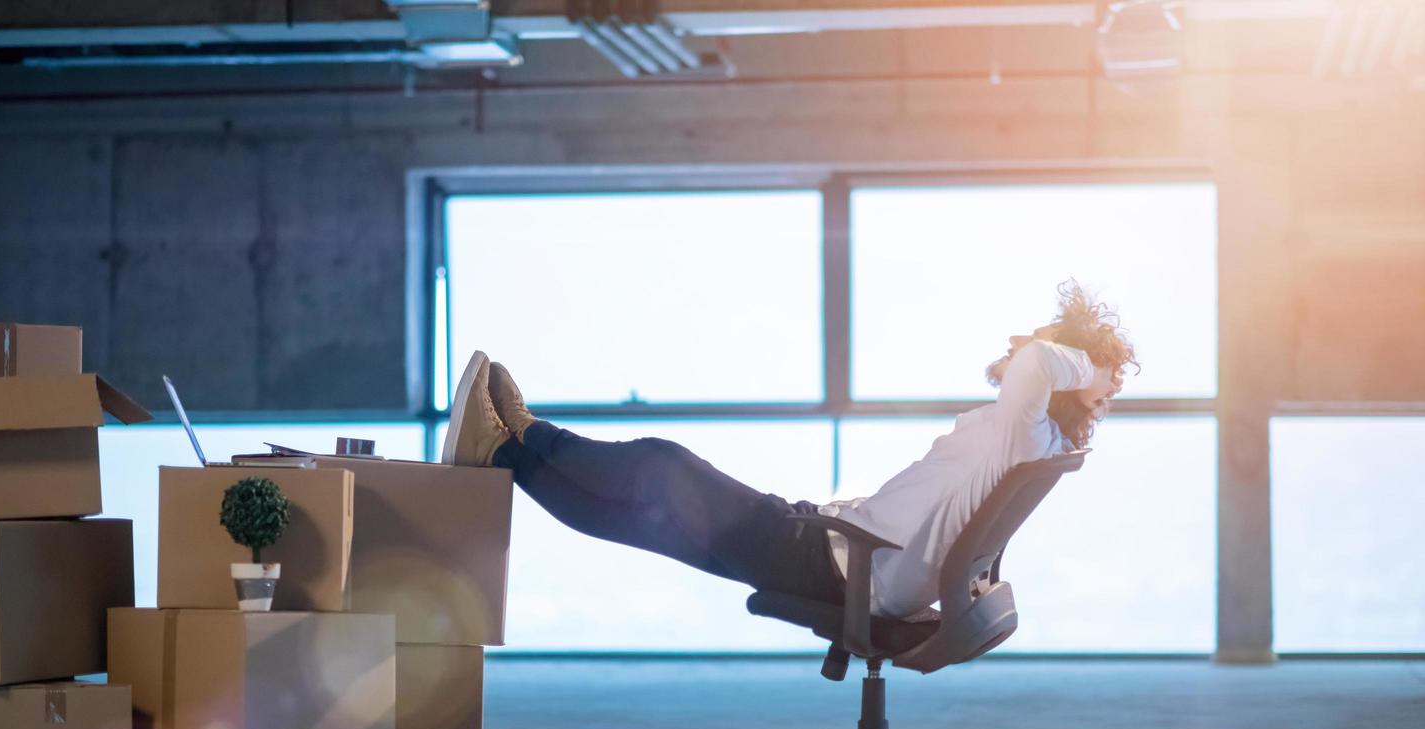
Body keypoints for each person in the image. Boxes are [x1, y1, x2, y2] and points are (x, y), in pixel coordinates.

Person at [439, 280, 1138, 622]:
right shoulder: (1031, 436)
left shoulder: (1027, 431)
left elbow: (1040, 363)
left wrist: (1085, 364)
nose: (1105, 381)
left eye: (1100, 371)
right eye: (1100, 368)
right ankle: (501, 453)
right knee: (640, 516)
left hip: (836, 560)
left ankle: (523, 436)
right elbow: (1038, 369)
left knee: (661, 463)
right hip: (840, 549)